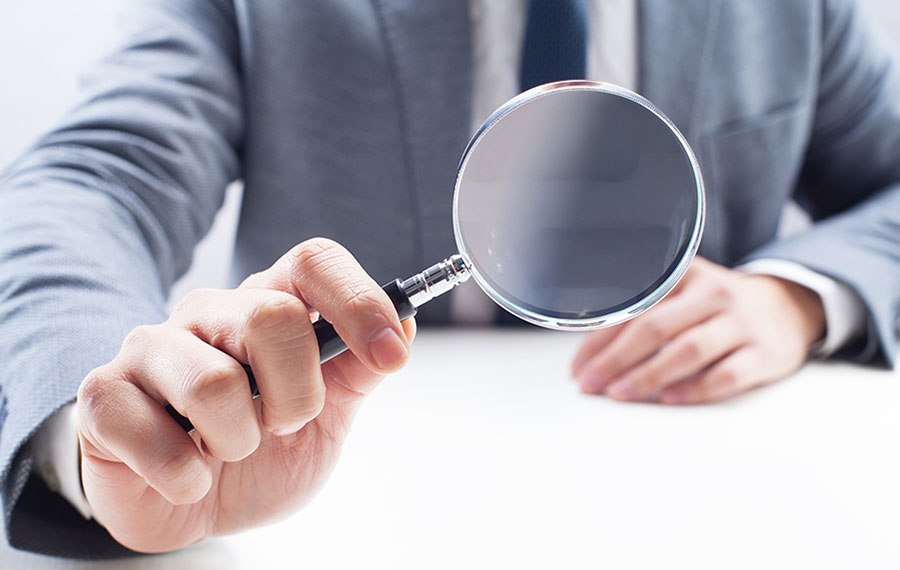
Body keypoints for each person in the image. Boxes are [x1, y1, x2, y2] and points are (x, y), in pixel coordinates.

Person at [1, 0, 898, 559]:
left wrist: (801, 297)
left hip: (726, 501)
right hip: (337, 504)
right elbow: (91, 181)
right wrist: (108, 438)